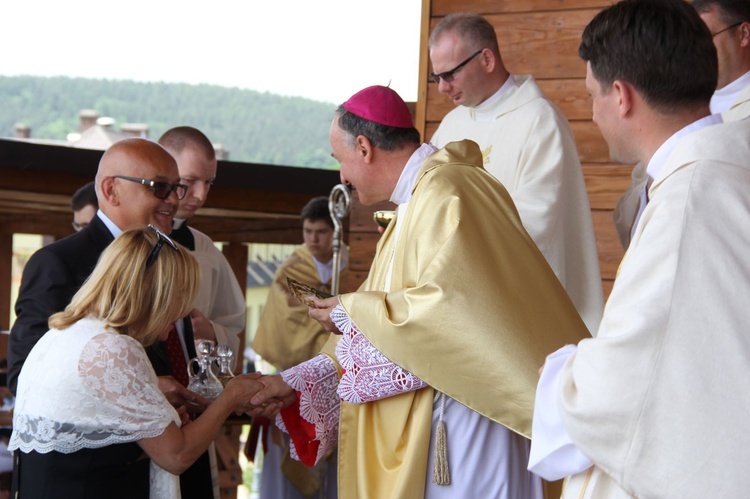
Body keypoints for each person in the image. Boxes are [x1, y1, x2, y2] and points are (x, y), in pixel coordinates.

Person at [248, 85, 590, 499]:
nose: (342, 177)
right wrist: (299, 379)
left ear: (363, 147)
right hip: (443, 415)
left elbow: (452, 310)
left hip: (468, 418)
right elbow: (390, 319)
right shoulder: (415, 202)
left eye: (340, 161)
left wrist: (350, 310)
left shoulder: (448, 191)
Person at [527, 1, 750, 497]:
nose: (592, 111)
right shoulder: (726, 168)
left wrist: (562, 374)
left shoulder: (688, 203)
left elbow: (627, 382)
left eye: (592, 95)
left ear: (622, 96)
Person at [8, 227, 263, 498]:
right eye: (180, 297)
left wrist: (150, 392)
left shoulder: (67, 333)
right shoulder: (111, 347)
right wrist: (231, 397)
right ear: (155, 295)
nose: (183, 313)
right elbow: (176, 456)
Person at [427, 13, 604, 335]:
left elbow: (538, 221)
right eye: (434, 76)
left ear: (486, 59)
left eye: (450, 74)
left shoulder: (539, 121)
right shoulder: (450, 126)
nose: (442, 88)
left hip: (520, 311)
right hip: (459, 307)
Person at [7, 138, 195, 400]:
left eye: (177, 188)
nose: (174, 200)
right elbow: (25, 374)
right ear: (111, 190)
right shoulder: (58, 262)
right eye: (160, 187)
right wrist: (140, 389)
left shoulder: (167, 256)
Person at [612, 0, 750, 248]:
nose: (699, 50)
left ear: (743, 34)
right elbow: (640, 190)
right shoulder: (681, 96)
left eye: (707, 37)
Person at [157, 126, 247, 499]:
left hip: (193, 400)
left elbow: (233, 323)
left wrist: (211, 331)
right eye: (190, 181)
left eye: (208, 183)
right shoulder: (131, 244)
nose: (200, 195)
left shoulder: (205, 250)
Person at [252, 196, 347, 499]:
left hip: (337, 377)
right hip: (293, 376)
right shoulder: (291, 269)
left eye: (320, 231)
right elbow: (286, 320)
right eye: (308, 231)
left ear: (335, 232)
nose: (313, 239)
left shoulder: (352, 263)